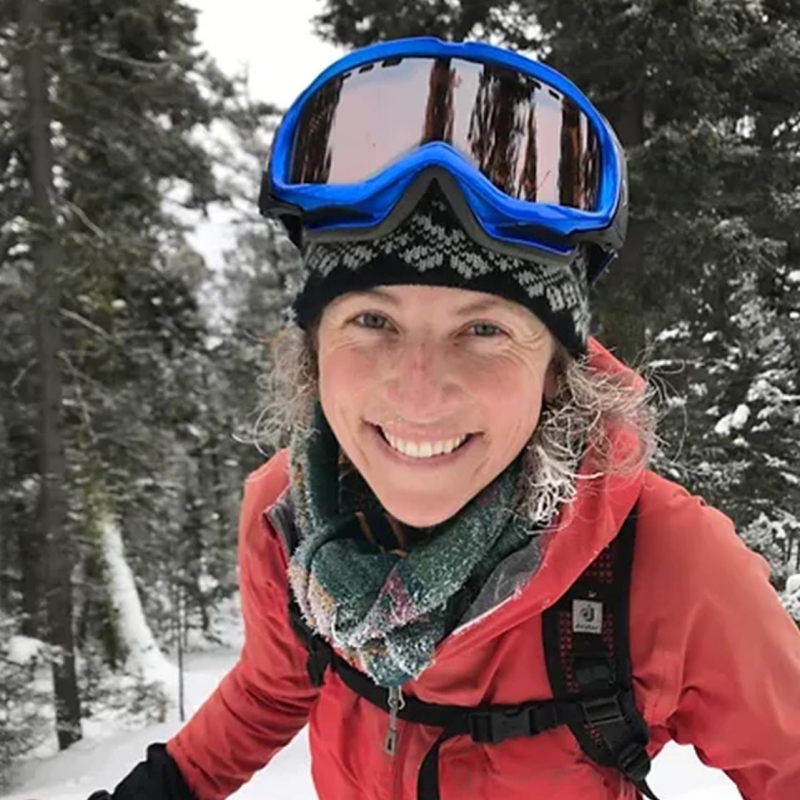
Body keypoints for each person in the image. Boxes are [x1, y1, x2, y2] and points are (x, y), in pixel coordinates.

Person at [89, 37, 800, 800]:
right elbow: (272, 686)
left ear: (557, 367)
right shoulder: (286, 519)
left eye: (485, 329)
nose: (420, 392)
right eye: (371, 321)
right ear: (314, 350)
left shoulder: (666, 563)